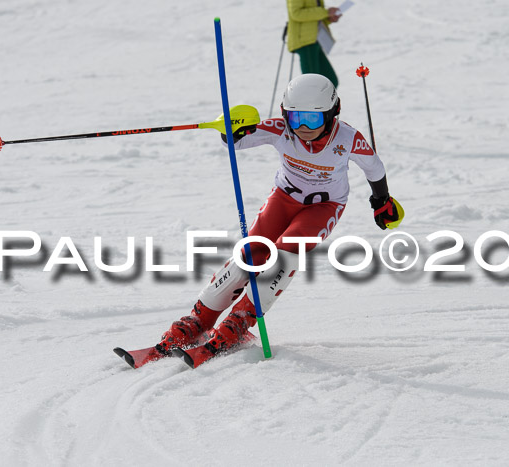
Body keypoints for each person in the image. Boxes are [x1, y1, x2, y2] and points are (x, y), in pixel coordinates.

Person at [155, 74, 403, 365]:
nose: (303, 128)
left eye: (313, 119)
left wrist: (380, 201)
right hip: (284, 199)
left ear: (332, 114)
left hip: (324, 206)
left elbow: (374, 168)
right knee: (251, 254)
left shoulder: (348, 139)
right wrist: (231, 132)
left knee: (285, 253)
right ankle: (199, 320)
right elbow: (237, 142)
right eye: (297, 118)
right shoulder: (281, 128)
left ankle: (238, 323)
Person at [287, 0, 342, 87]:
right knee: (312, 84)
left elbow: (314, 16)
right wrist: (326, 12)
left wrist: (328, 17)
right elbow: (296, 13)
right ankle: (308, 100)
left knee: (330, 81)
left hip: (315, 40)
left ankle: (321, 100)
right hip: (305, 42)